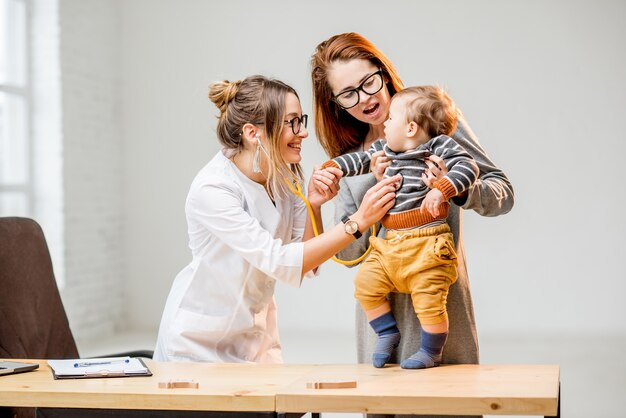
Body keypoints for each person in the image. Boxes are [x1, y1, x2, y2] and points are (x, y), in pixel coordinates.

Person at [311, 32, 514, 417]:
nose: (365, 99)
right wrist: (363, 211)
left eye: (369, 82)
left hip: (441, 313)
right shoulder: (351, 159)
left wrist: (453, 190)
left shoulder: (433, 122)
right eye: (348, 94)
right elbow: (352, 254)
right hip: (381, 330)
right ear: (334, 103)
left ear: (384, 72)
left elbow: (502, 192)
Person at [153, 74, 401, 363]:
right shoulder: (214, 188)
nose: (303, 133)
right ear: (252, 133)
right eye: (292, 122)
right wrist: (359, 220)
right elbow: (280, 262)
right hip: (196, 346)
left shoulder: (284, 176)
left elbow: (310, 263)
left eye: (301, 120)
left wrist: (314, 205)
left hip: (256, 341)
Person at [319, 85, 479, 369]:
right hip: (390, 242)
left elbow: (469, 168)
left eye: (391, 118)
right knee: (366, 284)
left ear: (411, 128)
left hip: (427, 243)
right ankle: (386, 332)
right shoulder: (385, 150)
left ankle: (431, 351)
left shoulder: (439, 146)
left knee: (430, 300)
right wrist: (334, 167)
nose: (384, 122)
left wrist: (442, 188)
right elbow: (357, 161)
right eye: (347, 92)